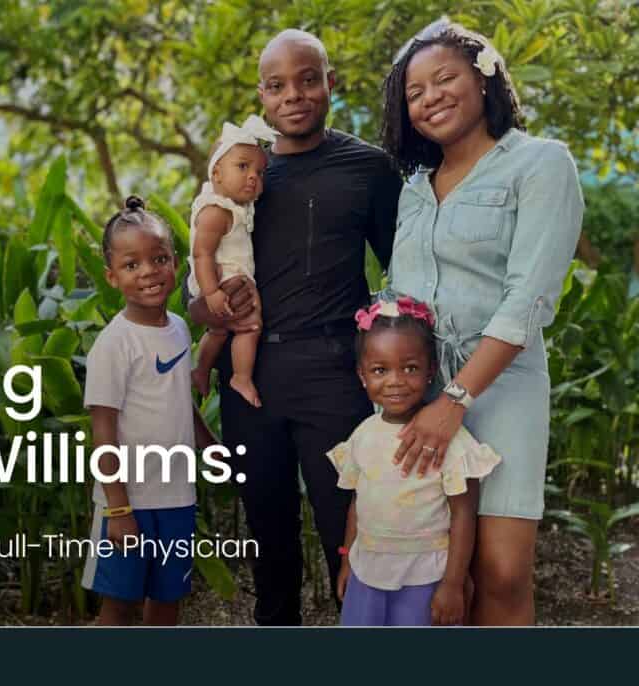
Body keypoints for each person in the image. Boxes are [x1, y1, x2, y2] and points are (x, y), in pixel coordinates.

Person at [187, 30, 403, 625]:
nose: (295, 96)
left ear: (330, 82)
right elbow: (197, 293)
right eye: (277, 85)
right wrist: (213, 310)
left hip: (337, 372)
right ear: (261, 96)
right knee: (267, 531)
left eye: (309, 79)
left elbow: (403, 276)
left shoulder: (369, 168)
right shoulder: (240, 176)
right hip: (251, 376)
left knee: (349, 527)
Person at [380, 22, 584, 625]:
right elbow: (400, 292)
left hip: (501, 386)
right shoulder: (414, 190)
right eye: (415, 93)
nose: (431, 98)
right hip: (417, 390)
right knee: (439, 568)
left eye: (445, 79)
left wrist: (458, 399)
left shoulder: (541, 164)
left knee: (500, 570)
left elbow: (528, 299)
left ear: (484, 77)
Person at [83, 196, 217, 626]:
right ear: (112, 276)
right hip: (128, 502)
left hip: (176, 497)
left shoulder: (178, 328)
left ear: (175, 262)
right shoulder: (113, 343)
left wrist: (212, 450)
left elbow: (180, 401)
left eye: (158, 259)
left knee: (167, 600)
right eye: (132, 265)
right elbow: (102, 432)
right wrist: (118, 510)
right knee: (119, 603)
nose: (148, 273)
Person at [327, 297, 500, 626]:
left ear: (430, 370)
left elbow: (463, 513)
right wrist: (347, 559)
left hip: (425, 577)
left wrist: (452, 583)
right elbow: (356, 502)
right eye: (380, 370)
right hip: (367, 571)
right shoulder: (363, 435)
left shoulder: (448, 440)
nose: (395, 381)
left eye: (410, 368)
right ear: (362, 375)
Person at [189, 115, 275, 408]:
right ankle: (241, 376)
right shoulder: (216, 211)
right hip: (224, 280)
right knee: (249, 325)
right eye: (242, 167)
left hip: (224, 280)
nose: (253, 176)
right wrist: (211, 292)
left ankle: (200, 370)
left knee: (219, 330)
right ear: (216, 174)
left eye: (260, 172)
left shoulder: (235, 208)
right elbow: (202, 254)